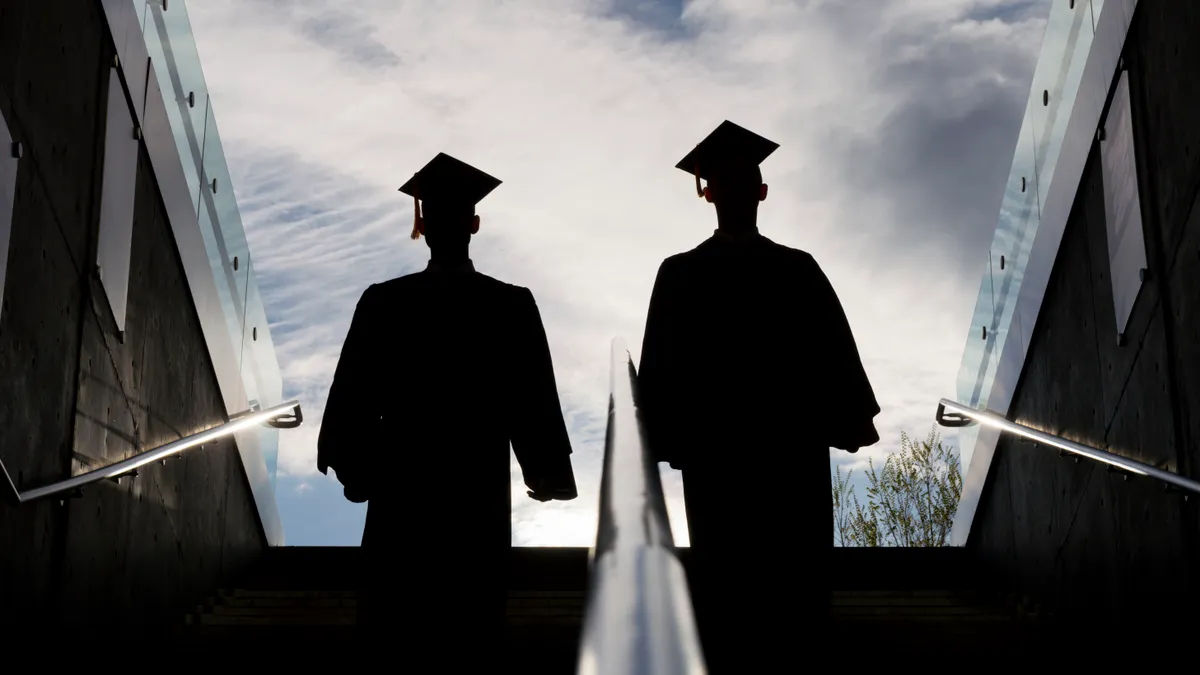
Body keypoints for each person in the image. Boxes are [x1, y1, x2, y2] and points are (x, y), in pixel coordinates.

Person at [637, 121, 880, 671]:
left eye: (745, 180)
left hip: (768, 449)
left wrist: (847, 416)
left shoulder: (785, 269)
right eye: (730, 180)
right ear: (712, 192)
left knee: (785, 583)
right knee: (737, 584)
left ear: (758, 192)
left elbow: (831, 349)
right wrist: (664, 434)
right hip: (732, 451)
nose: (739, 190)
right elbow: (663, 364)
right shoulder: (689, 274)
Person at [316, 152, 578, 661]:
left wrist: (356, 466)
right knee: (465, 626)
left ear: (423, 223)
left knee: (405, 625)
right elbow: (532, 396)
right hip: (470, 483)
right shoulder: (508, 305)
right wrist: (546, 470)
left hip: (406, 486)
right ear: (473, 223)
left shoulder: (386, 302)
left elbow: (356, 393)